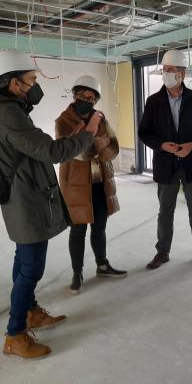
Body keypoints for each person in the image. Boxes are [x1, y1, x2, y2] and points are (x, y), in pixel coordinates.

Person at [0, 50, 101, 358]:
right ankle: (15, 334)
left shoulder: (13, 109)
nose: (35, 85)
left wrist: (80, 136)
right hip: (24, 198)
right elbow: (51, 152)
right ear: (14, 83)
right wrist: (89, 132)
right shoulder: (8, 113)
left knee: (24, 259)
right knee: (31, 266)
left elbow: (35, 147)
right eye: (31, 79)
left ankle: (30, 312)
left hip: (26, 193)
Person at [138, 49, 192, 269]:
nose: (167, 74)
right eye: (165, 70)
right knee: (165, 211)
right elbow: (144, 132)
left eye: (172, 70)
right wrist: (162, 145)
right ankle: (162, 252)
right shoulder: (153, 101)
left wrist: (191, 146)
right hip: (166, 165)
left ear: (182, 73)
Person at [56, 75, 126, 295]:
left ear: (95, 100)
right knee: (78, 230)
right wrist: (99, 143)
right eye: (82, 95)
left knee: (99, 227)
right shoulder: (63, 121)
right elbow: (78, 153)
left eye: (91, 97)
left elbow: (113, 148)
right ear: (74, 95)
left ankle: (102, 265)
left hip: (100, 182)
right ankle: (77, 273)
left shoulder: (100, 119)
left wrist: (95, 145)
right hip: (76, 185)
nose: (86, 100)